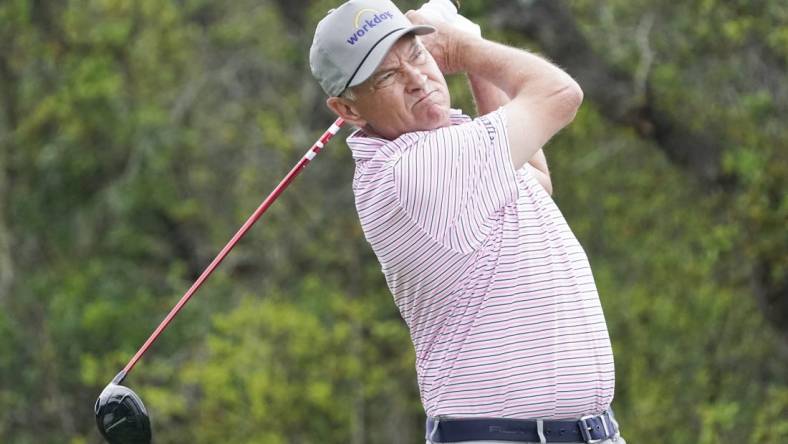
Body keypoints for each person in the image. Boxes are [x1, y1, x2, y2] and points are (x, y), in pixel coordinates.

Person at [310, 1, 623, 443]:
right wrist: (463, 47)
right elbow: (560, 94)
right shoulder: (414, 171)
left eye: (416, 55)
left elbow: (534, 178)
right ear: (349, 110)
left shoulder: (452, 151)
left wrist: (473, 62)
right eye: (386, 76)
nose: (417, 80)